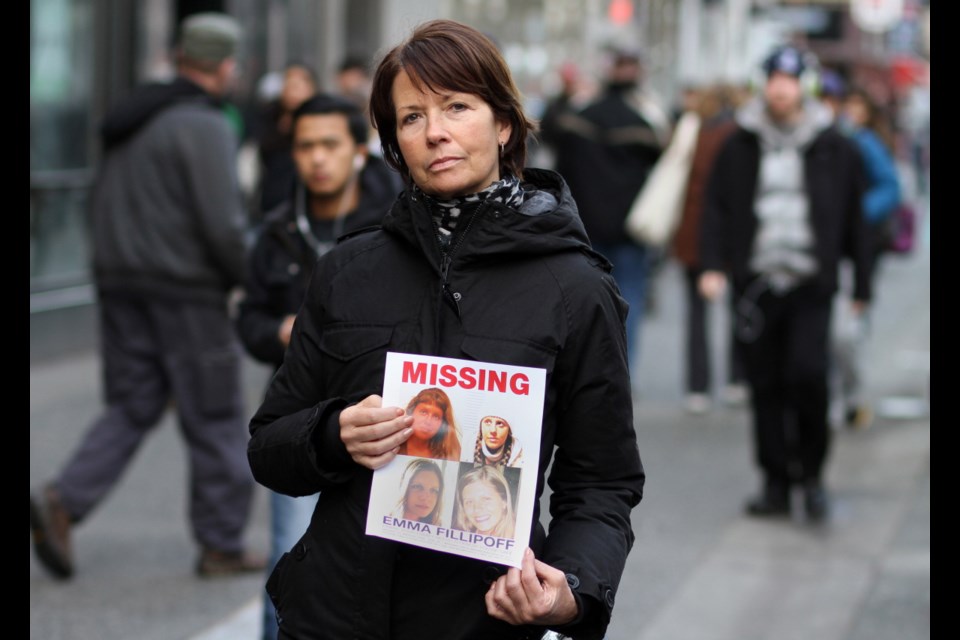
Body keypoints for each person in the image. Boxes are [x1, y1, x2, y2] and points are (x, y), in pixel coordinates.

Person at [245, 19, 644, 639]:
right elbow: (269, 443)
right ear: (393, 143)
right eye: (410, 117)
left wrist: (571, 589)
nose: (435, 132)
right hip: (333, 618)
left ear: (504, 123)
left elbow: (602, 479)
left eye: (457, 106)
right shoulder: (347, 272)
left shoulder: (576, 288)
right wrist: (332, 433)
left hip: (483, 621)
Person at [29, 12, 266, 580]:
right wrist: (248, 279)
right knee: (213, 414)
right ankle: (221, 545)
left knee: (133, 404)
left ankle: (64, 500)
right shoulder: (204, 123)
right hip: (185, 290)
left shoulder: (131, 116)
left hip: (119, 284)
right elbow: (222, 223)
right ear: (226, 65)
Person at [235, 91, 401, 640]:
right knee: (289, 547)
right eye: (305, 147)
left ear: (359, 150)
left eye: (330, 144)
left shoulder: (397, 222)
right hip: (304, 409)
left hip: (389, 414)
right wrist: (279, 332)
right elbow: (249, 317)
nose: (317, 158)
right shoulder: (278, 228)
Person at [698, 44, 872, 522]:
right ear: (763, 84)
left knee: (809, 377)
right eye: (774, 78)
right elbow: (717, 207)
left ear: (806, 87)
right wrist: (712, 264)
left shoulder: (834, 144)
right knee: (766, 385)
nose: (781, 88)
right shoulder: (739, 143)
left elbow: (854, 216)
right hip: (756, 287)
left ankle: (812, 477)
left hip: (812, 284)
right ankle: (775, 482)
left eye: (790, 80)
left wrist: (862, 285)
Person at [551, 45, 672, 378]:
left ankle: (589, 370)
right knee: (628, 300)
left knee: (584, 303)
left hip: (586, 226)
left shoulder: (581, 117)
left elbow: (553, 145)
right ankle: (621, 371)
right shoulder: (644, 123)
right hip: (631, 228)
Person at [669, 83, 748, 415]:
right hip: (735, 233)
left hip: (692, 232)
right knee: (739, 310)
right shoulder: (740, 137)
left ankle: (697, 386)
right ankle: (736, 379)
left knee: (696, 315)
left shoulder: (692, 132)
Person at [828, 84, 902, 429]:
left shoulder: (862, 142)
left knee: (848, 331)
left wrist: (856, 215)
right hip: (824, 249)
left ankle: (851, 394)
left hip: (855, 249)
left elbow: (890, 187)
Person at [254, 62, 320, 216]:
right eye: (288, 82)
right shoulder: (270, 117)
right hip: (272, 199)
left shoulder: (320, 121)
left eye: (299, 83)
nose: (293, 89)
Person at [398, 387, 463, 461]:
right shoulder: (396, 442)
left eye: (436, 417)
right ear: (411, 412)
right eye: (423, 412)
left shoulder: (448, 452)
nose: (428, 421)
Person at [453, 464, 517, 538]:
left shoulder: (519, 540)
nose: (477, 509)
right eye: (469, 502)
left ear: (504, 501)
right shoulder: (460, 536)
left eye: (486, 499)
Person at [392, 458, 446, 524]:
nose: (426, 498)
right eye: (417, 487)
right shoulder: (382, 521)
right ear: (404, 488)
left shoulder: (437, 529)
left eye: (434, 490)